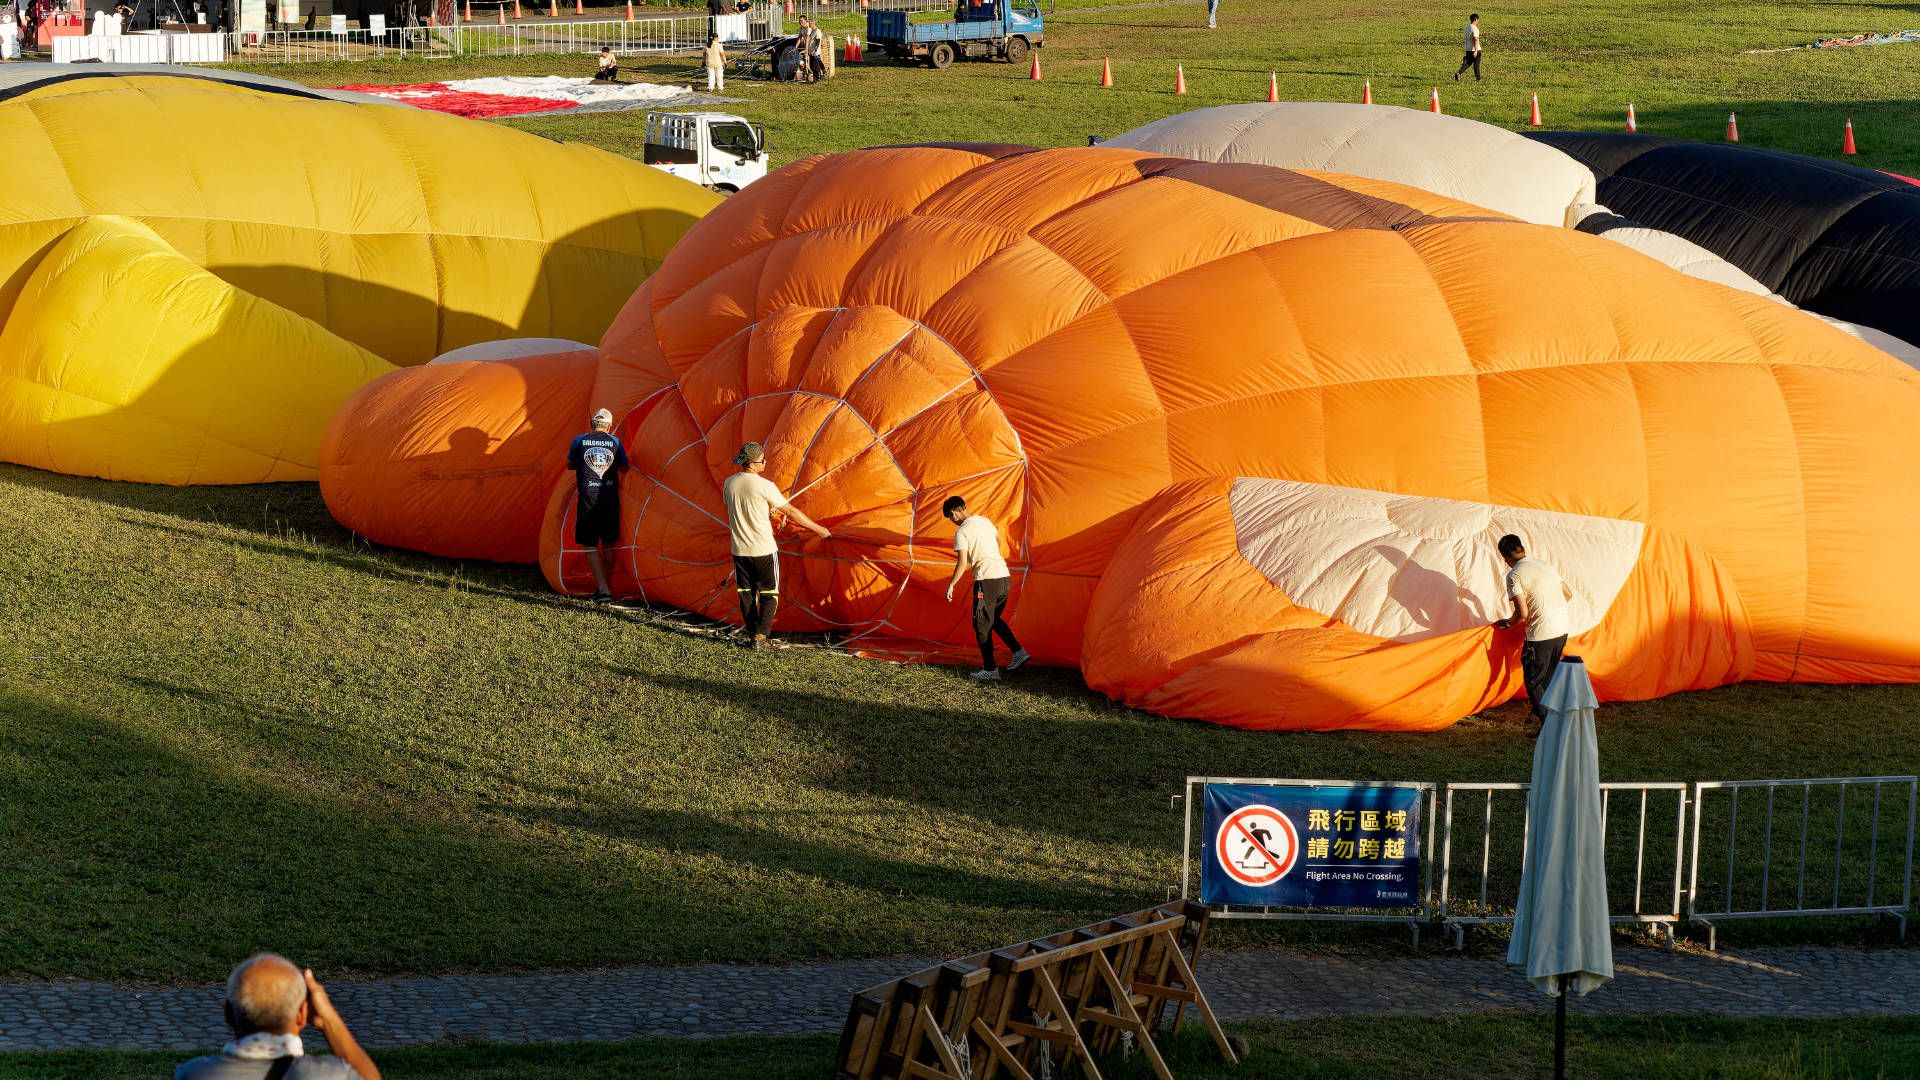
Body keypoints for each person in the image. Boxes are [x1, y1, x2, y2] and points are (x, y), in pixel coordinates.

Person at [175, 954, 381, 1080]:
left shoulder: (194, 1074)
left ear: (228, 1014)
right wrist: (328, 1018)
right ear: (301, 1015)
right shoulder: (331, 1075)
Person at [722, 442, 829, 649]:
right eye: (763, 460)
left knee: (746, 594)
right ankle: (761, 638)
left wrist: (765, 511)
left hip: (739, 549)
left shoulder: (729, 483)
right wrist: (819, 530)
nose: (765, 462)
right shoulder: (766, 486)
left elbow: (739, 508)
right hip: (763, 549)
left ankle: (753, 635)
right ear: (752, 464)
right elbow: (791, 512)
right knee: (769, 594)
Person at [942, 496, 1029, 681]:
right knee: (992, 619)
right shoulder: (985, 521)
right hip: (1003, 577)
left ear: (953, 513)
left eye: (950, 518)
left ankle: (990, 669)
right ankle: (1018, 652)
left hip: (986, 580)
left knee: (981, 624)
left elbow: (962, 562)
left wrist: (951, 584)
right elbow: (998, 539)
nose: (952, 521)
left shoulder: (962, 532)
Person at [1494, 533, 1572, 722]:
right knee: (1549, 677)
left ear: (1505, 559)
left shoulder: (1514, 575)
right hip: (1561, 628)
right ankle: (1542, 714)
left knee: (1534, 680)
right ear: (1522, 548)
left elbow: (1522, 613)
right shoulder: (1544, 565)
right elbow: (1568, 594)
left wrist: (1508, 622)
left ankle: (1549, 725)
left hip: (1541, 634)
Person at [566, 407, 628, 602]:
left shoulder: (579, 440)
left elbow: (569, 465)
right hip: (609, 497)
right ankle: (604, 587)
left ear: (592, 425)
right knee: (609, 543)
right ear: (609, 426)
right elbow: (624, 467)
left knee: (590, 544)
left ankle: (603, 588)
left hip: (588, 498)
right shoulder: (616, 442)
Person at [1454, 12, 1482, 81]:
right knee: (1476, 64)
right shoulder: (1475, 28)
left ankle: (1459, 73)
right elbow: (1475, 39)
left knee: (1468, 63)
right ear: (1475, 19)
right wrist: (1476, 50)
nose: (1478, 21)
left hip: (1468, 48)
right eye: (1478, 20)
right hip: (1475, 49)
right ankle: (1478, 78)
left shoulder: (1467, 27)